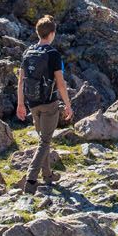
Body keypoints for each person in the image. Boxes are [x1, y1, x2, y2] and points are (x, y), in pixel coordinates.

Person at [16, 15, 73, 193]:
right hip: (49, 103)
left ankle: (48, 176)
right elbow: (60, 83)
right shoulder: (53, 54)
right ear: (52, 33)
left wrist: (20, 104)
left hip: (33, 103)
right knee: (45, 141)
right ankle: (31, 180)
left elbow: (21, 81)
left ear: (38, 33)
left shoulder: (28, 52)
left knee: (43, 140)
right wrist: (68, 105)